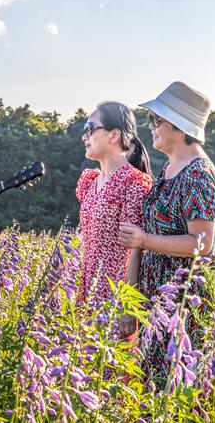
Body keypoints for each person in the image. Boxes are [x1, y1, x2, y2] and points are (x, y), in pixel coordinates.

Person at [118, 81, 215, 382]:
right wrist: (131, 303)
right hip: (158, 300)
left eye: (156, 120)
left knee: (174, 391)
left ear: (179, 126)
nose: (150, 126)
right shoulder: (167, 169)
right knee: (150, 388)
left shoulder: (199, 175)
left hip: (185, 304)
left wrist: (146, 240)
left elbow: (203, 244)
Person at [75, 102, 152, 337]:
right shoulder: (90, 181)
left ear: (114, 135)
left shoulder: (134, 183)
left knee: (111, 371)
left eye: (90, 128)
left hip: (115, 298)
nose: (84, 136)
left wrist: (127, 307)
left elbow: (135, 250)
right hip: (87, 292)